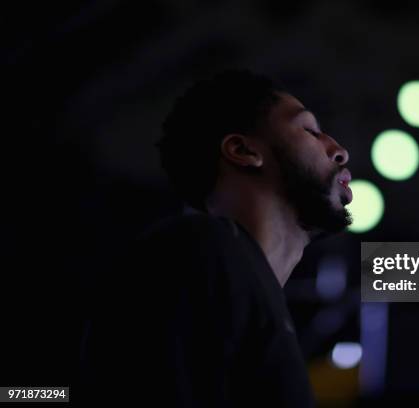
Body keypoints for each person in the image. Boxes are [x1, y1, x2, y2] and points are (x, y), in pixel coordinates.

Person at [79, 69, 353, 407]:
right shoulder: (199, 250)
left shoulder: (245, 286)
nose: (340, 152)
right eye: (310, 130)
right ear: (242, 150)